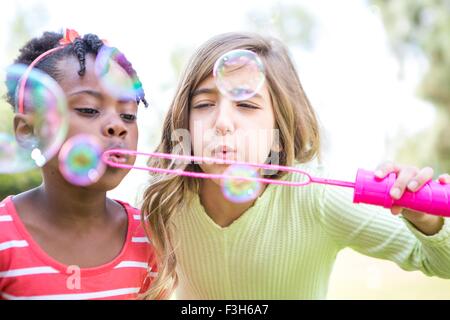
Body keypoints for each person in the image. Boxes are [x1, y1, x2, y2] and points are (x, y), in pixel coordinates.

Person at [141, 32, 450, 300]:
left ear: (279, 135)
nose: (221, 122)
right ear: (185, 121)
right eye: (205, 104)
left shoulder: (317, 199)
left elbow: (440, 263)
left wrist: (426, 220)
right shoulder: (165, 199)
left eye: (246, 105)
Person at [0, 29, 156, 300]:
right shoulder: (4, 237)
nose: (117, 126)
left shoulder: (148, 238)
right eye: (88, 109)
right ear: (28, 131)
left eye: (128, 115)